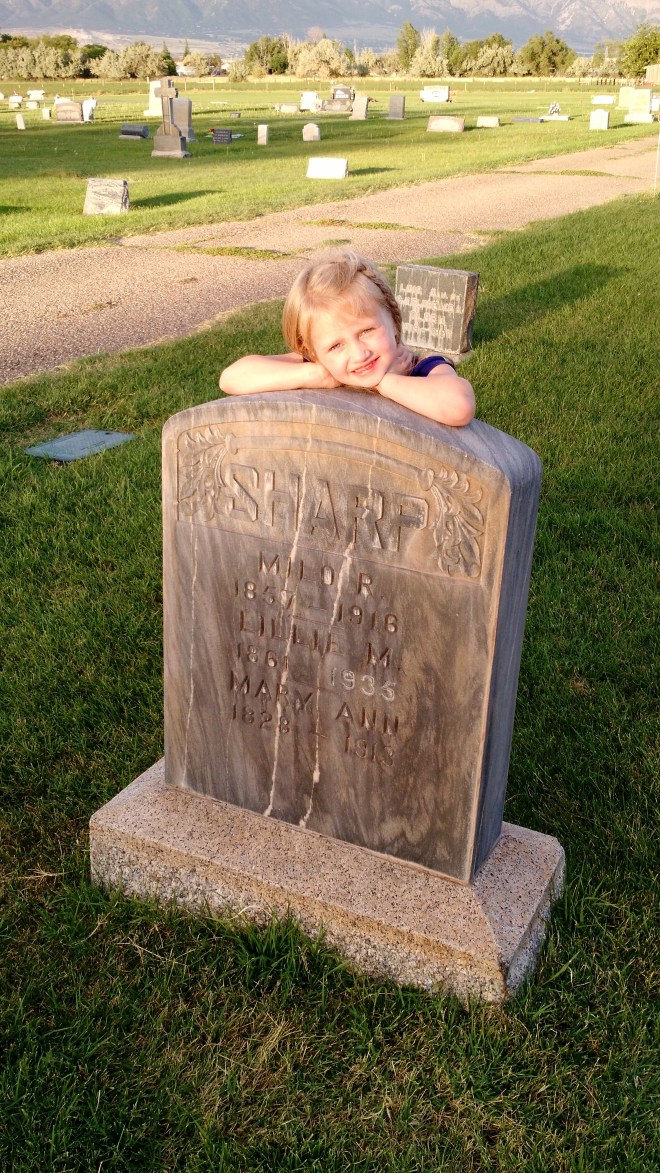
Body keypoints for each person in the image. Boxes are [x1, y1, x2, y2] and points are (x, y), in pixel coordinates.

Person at [219, 251, 475, 426]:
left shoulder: (421, 368)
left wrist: (385, 383)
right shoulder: (322, 365)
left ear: (393, 320)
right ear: (313, 352)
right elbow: (232, 378)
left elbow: (459, 407)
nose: (359, 354)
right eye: (336, 345)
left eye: (366, 331)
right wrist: (318, 374)